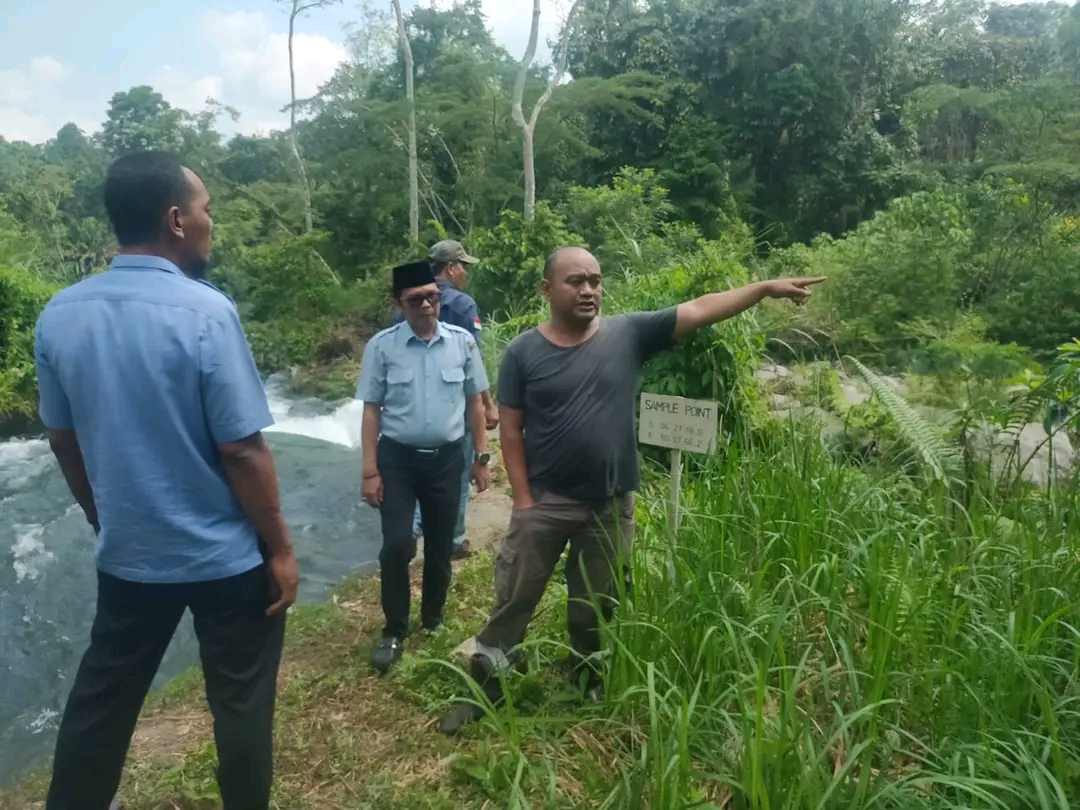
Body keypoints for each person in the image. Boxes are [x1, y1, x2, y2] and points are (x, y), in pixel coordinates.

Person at [439, 246, 824, 734]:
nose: (589, 290)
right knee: (515, 597)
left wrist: (765, 288)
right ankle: (488, 681)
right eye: (576, 281)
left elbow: (702, 308)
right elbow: (510, 429)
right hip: (546, 501)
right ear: (547, 290)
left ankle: (587, 679)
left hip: (610, 503)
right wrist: (523, 499)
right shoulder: (522, 352)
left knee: (598, 602)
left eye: (595, 281)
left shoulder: (629, 333)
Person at [34, 151, 300, 810]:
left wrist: (102, 515)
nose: (212, 222)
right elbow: (241, 450)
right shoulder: (207, 312)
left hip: (129, 558)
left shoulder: (60, 315)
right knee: (240, 702)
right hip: (227, 560)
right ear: (177, 220)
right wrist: (282, 549)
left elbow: (63, 439)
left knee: (102, 704)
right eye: (207, 209)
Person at [358, 261, 494, 674]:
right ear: (399, 304)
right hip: (397, 460)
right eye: (416, 300)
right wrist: (369, 471)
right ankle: (395, 628)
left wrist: (481, 459)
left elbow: (475, 403)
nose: (427, 305)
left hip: (448, 460)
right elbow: (371, 410)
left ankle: (432, 617)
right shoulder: (382, 347)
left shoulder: (462, 343)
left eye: (432, 296)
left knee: (440, 546)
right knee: (397, 545)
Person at [394, 240, 499, 560]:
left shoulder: (407, 300)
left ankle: (411, 529)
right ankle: (454, 540)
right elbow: (472, 358)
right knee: (459, 468)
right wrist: (487, 402)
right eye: (462, 265)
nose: (465, 272)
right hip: (457, 397)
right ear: (450, 267)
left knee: (417, 469)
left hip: (414, 399)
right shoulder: (463, 303)